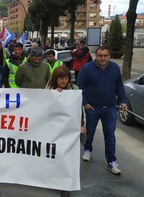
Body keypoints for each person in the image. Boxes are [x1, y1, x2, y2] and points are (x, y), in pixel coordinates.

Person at [77, 46, 128, 175]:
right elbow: (79, 86)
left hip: (110, 108)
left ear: (109, 56)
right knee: (91, 131)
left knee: (110, 134)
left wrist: (123, 101)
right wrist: (85, 103)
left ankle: (111, 161)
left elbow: (119, 86)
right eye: (100, 56)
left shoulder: (115, 68)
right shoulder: (87, 68)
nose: (103, 58)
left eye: (105, 56)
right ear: (96, 56)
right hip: (92, 107)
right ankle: (87, 149)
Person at [46, 65, 85, 197]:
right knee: (56, 155)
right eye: (61, 78)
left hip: (70, 129)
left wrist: (82, 124)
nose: (63, 81)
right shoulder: (49, 89)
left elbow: (80, 108)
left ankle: (65, 185)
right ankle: (55, 179)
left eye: (66, 78)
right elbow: (43, 108)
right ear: (55, 79)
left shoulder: (74, 89)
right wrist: (54, 95)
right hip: (54, 129)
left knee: (68, 157)